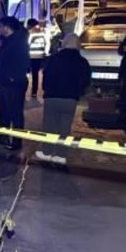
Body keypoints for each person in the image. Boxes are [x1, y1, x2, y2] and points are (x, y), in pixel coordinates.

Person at [36, 33, 91, 165]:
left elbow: (46, 75)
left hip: (53, 97)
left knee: (50, 126)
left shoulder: (54, 59)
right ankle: (61, 155)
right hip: (70, 99)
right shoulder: (82, 62)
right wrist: (79, 93)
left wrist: (46, 89)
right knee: (65, 128)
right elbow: (86, 81)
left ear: (64, 43)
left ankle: (47, 152)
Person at [0, 16, 30, 150]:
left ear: (7, 27)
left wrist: (12, 78)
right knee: (4, 112)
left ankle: (16, 142)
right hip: (4, 83)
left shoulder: (18, 42)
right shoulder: (8, 40)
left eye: (0, 26)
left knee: (15, 113)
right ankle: (3, 137)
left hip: (14, 84)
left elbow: (23, 62)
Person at [26, 18, 46, 99]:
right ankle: (34, 91)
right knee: (36, 74)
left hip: (31, 55)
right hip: (40, 56)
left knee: (28, 73)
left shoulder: (30, 34)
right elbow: (46, 43)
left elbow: (27, 44)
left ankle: (29, 90)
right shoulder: (43, 33)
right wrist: (45, 52)